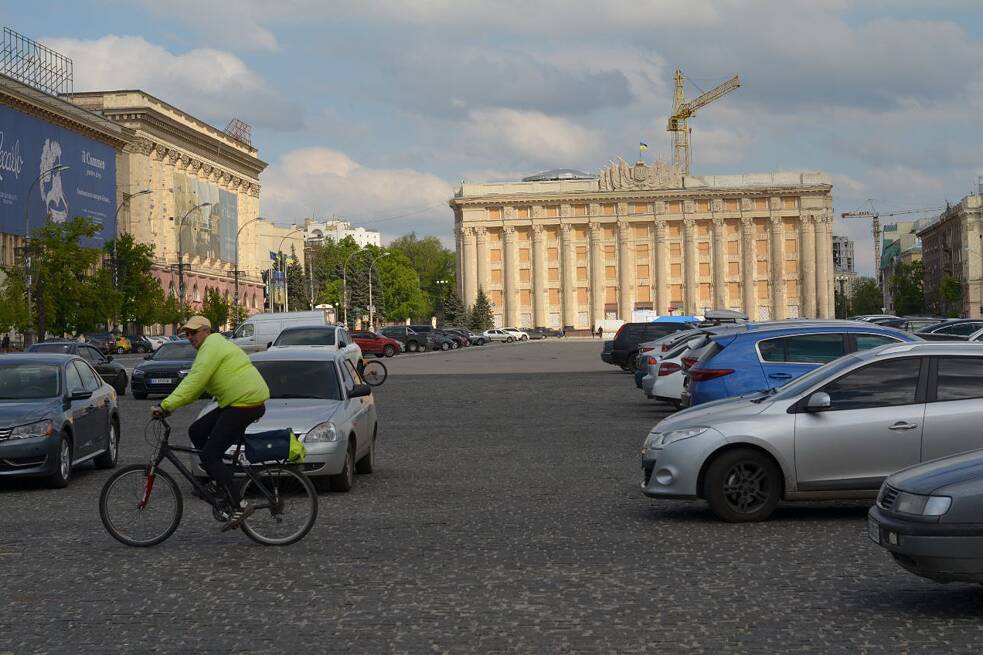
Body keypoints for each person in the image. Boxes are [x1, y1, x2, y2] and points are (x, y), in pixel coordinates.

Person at [151, 316, 270, 531]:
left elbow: (195, 381)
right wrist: (173, 405)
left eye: (193, 333)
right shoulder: (212, 346)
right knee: (196, 430)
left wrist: (167, 405)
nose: (189, 337)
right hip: (238, 400)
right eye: (186, 334)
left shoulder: (211, 346)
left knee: (209, 455)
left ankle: (239, 504)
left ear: (206, 331)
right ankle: (218, 482)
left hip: (245, 402)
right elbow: (198, 387)